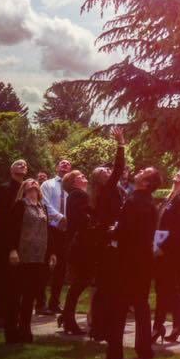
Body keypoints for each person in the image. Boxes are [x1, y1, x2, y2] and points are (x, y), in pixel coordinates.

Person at [107, 165, 162, 359]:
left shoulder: (133, 201)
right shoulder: (151, 204)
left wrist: (114, 230)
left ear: (146, 183)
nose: (138, 172)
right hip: (144, 259)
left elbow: (126, 230)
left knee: (120, 304)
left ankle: (115, 351)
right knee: (141, 304)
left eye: (144, 172)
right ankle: (144, 349)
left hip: (127, 258)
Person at [3, 178, 56, 343]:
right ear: (24, 188)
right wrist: (12, 249)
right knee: (16, 294)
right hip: (22, 256)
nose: (33, 182)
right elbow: (10, 228)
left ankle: (25, 329)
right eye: (29, 181)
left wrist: (52, 253)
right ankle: (11, 331)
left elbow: (48, 231)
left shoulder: (43, 207)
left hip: (38, 258)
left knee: (30, 295)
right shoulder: (20, 205)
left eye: (35, 181)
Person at [87, 126, 127, 342]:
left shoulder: (101, 195)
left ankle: (98, 328)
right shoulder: (107, 190)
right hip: (109, 243)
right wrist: (120, 144)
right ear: (98, 180)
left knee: (102, 287)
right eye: (103, 172)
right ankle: (102, 327)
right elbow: (119, 168)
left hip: (103, 243)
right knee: (108, 287)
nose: (108, 172)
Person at [153, 167, 180, 344]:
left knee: (166, 288)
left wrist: (165, 248)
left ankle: (158, 326)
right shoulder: (168, 198)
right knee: (165, 288)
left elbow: (178, 229)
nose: (179, 174)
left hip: (171, 250)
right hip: (159, 246)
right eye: (178, 172)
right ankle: (177, 325)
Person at [0, 158, 27, 327]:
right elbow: (0, 216)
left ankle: (14, 314)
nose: (23, 165)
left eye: (25, 165)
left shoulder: (27, 189)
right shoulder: (4, 189)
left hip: (22, 239)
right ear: (11, 170)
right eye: (19, 164)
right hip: (4, 240)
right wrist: (9, 245)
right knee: (1, 278)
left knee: (17, 280)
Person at [57, 168, 91, 335]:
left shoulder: (75, 196)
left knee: (80, 282)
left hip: (76, 244)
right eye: (79, 175)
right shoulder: (79, 195)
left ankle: (66, 316)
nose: (83, 176)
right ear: (73, 182)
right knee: (81, 281)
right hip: (82, 245)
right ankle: (68, 318)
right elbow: (83, 219)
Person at [38, 158, 72, 315]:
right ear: (57, 167)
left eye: (68, 163)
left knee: (61, 268)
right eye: (62, 163)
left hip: (67, 232)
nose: (65, 165)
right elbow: (45, 204)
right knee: (45, 267)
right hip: (51, 230)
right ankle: (40, 303)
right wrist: (60, 217)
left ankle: (54, 303)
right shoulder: (48, 184)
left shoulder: (71, 187)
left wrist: (69, 221)